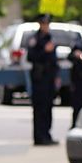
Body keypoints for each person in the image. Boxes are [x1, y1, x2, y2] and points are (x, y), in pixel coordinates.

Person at [25, 13, 59, 145]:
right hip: (39, 78)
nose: (46, 26)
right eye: (44, 23)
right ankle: (39, 136)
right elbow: (31, 57)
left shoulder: (50, 38)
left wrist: (56, 76)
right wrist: (45, 50)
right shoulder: (35, 39)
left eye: (47, 24)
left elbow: (54, 60)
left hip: (49, 77)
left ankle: (47, 134)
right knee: (39, 108)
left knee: (48, 107)